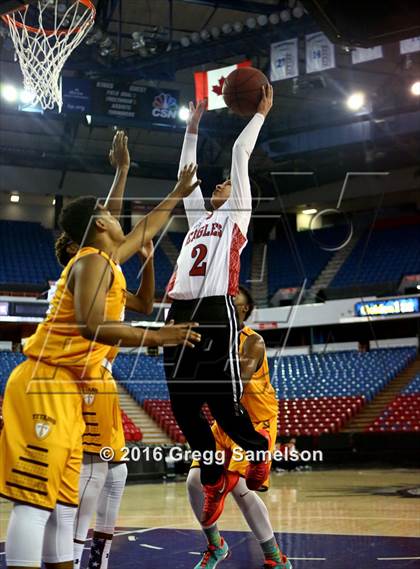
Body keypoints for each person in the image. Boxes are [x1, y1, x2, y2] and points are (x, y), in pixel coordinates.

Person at [0, 135, 201, 569]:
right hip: (44, 382)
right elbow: (93, 324)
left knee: (62, 500)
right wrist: (154, 337)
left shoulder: (105, 259)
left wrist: (164, 188)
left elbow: (142, 229)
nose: (117, 216)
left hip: (68, 388)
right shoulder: (91, 261)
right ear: (101, 226)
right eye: (110, 214)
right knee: (35, 502)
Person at [164, 85, 274, 528]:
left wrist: (261, 114)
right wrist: (191, 129)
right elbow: (185, 174)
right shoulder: (199, 220)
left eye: (224, 184)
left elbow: (239, 154)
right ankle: (212, 480)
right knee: (183, 407)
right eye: (219, 184)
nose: (218, 184)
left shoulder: (236, 215)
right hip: (177, 312)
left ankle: (258, 451)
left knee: (222, 401)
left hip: (213, 310)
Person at [187, 285, 292, 569]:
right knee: (194, 482)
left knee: (241, 489)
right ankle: (216, 546)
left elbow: (236, 383)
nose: (224, 305)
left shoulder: (252, 341)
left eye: (232, 301)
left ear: (243, 309)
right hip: (225, 420)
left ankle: (274, 557)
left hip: (253, 423)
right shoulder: (213, 339)